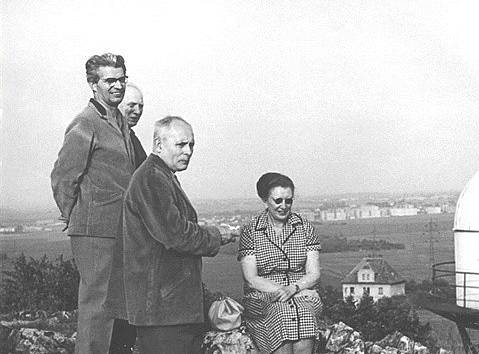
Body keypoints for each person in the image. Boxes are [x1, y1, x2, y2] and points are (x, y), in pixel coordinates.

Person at [123, 116, 238, 354]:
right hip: (163, 309)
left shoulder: (160, 175)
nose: (188, 151)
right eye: (181, 144)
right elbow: (176, 234)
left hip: (168, 307)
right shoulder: (153, 177)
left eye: (191, 145)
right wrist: (218, 235)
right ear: (158, 145)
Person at [51, 53, 136, 354]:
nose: (118, 86)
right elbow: (63, 176)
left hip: (118, 227)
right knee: (96, 305)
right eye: (109, 80)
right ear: (93, 84)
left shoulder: (119, 120)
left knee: (114, 302)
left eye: (122, 79)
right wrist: (73, 214)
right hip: (94, 230)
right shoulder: (85, 123)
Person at [238, 172, 322, 354]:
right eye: (278, 201)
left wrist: (294, 289)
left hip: (301, 292)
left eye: (288, 201)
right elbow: (251, 278)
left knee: (305, 315)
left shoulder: (305, 227)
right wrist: (282, 291)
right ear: (265, 200)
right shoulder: (251, 231)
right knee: (282, 313)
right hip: (263, 295)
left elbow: (314, 273)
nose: (284, 206)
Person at [119, 83, 147, 167]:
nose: (138, 111)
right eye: (132, 105)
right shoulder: (108, 136)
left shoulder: (132, 137)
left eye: (140, 106)